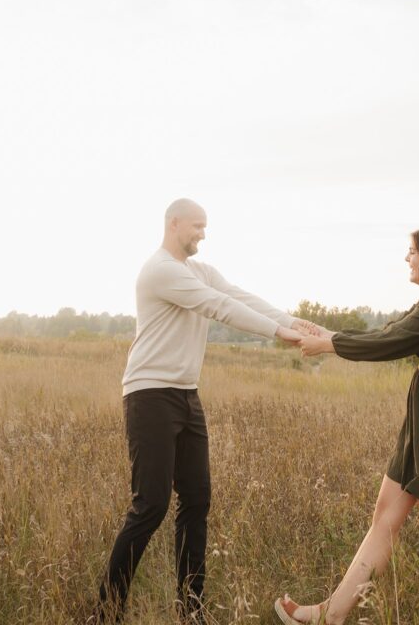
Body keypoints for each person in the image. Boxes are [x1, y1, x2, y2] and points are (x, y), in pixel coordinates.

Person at [91, 198, 314, 624]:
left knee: (197, 499)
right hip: (149, 394)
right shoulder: (160, 270)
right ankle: (105, 612)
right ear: (174, 224)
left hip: (186, 396)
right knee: (150, 506)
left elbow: (238, 295)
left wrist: (296, 322)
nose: (203, 235)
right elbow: (219, 308)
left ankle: (190, 609)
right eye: (197, 226)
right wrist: (280, 333)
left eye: (205, 227)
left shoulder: (201, 271)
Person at [275, 227, 419, 625]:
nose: (406, 259)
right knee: (385, 518)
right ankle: (330, 615)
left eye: (412, 253)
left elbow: (388, 346)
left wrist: (328, 346)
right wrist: (328, 334)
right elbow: (388, 333)